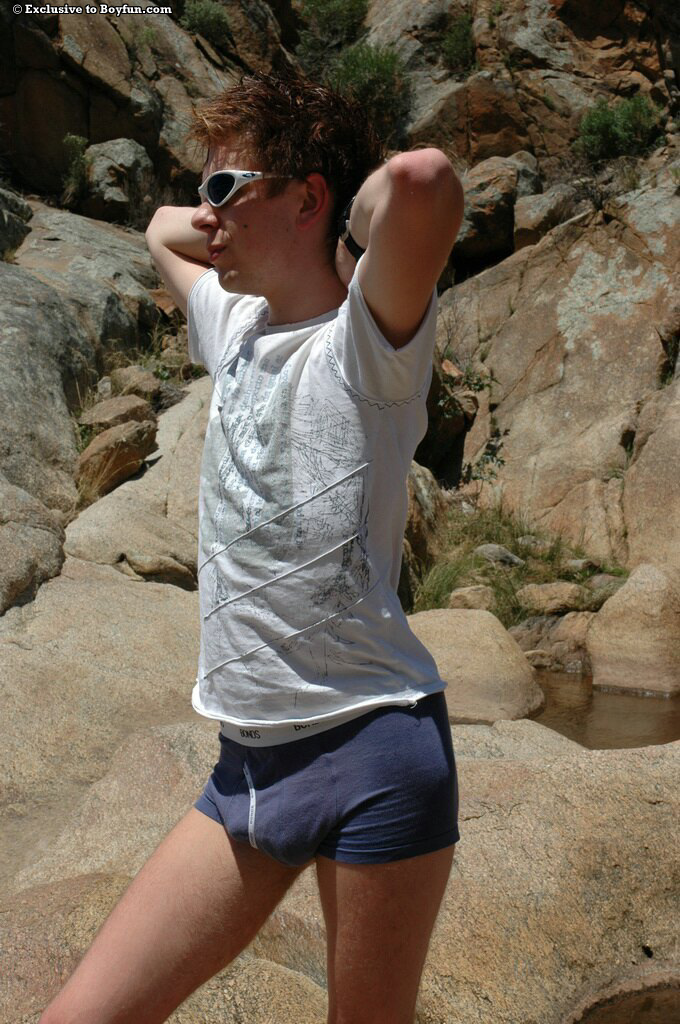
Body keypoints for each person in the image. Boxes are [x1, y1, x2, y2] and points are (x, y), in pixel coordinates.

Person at [40, 71, 464, 1024]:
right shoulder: (230, 323)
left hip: (374, 750)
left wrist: (339, 233)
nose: (206, 214)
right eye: (206, 190)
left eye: (226, 188)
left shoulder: (368, 343)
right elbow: (160, 230)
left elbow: (425, 180)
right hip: (247, 769)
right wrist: (236, 207)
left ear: (311, 198)